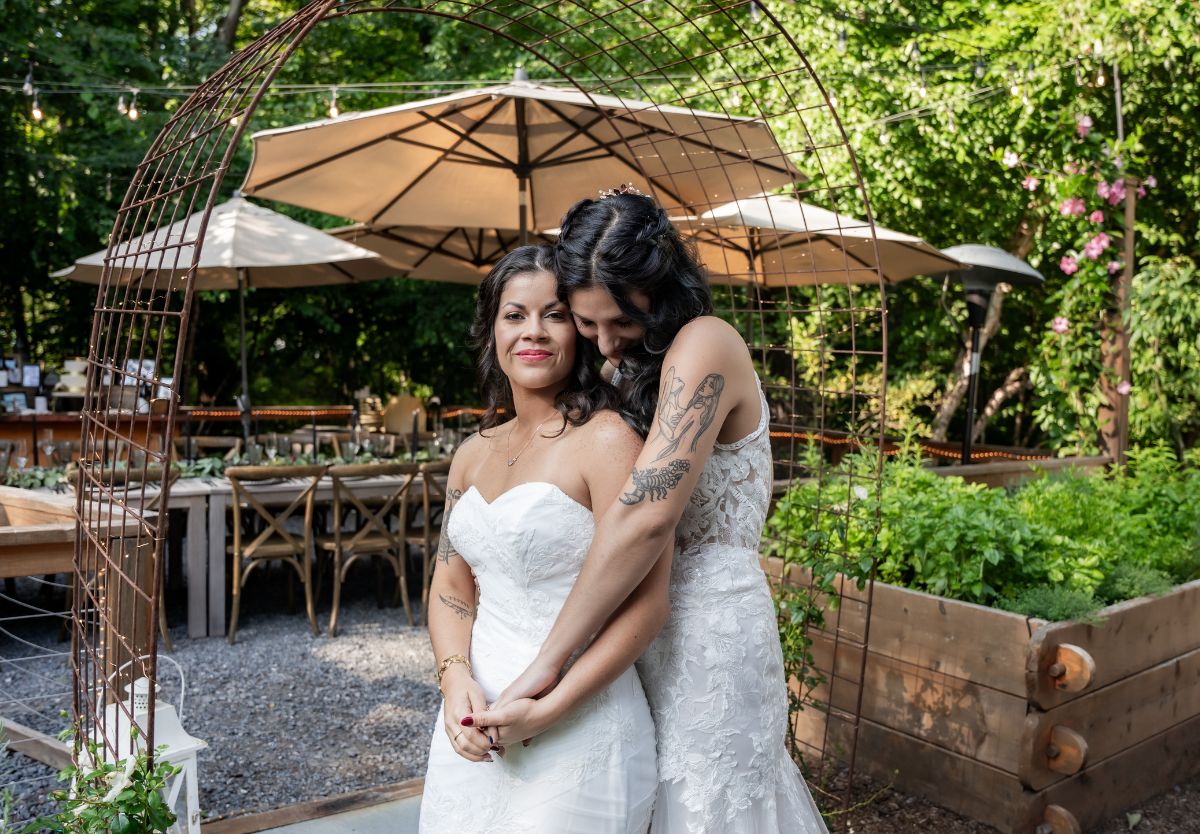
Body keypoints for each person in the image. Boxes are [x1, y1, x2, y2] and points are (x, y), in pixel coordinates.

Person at [470, 189, 829, 833]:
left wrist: (550, 663)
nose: (605, 344)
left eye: (622, 322)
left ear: (661, 295)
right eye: (586, 324)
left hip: (709, 633)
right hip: (633, 628)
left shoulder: (705, 344)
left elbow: (645, 517)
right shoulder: (627, 370)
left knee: (703, 809)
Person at [420, 244, 668, 833]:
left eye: (554, 315)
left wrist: (548, 709)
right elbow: (451, 585)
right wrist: (456, 679)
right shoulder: (471, 454)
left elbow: (648, 603)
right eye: (515, 315)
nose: (534, 332)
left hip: (580, 727)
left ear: (581, 330)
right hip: (471, 722)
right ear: (492, 331)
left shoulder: (607, 442)